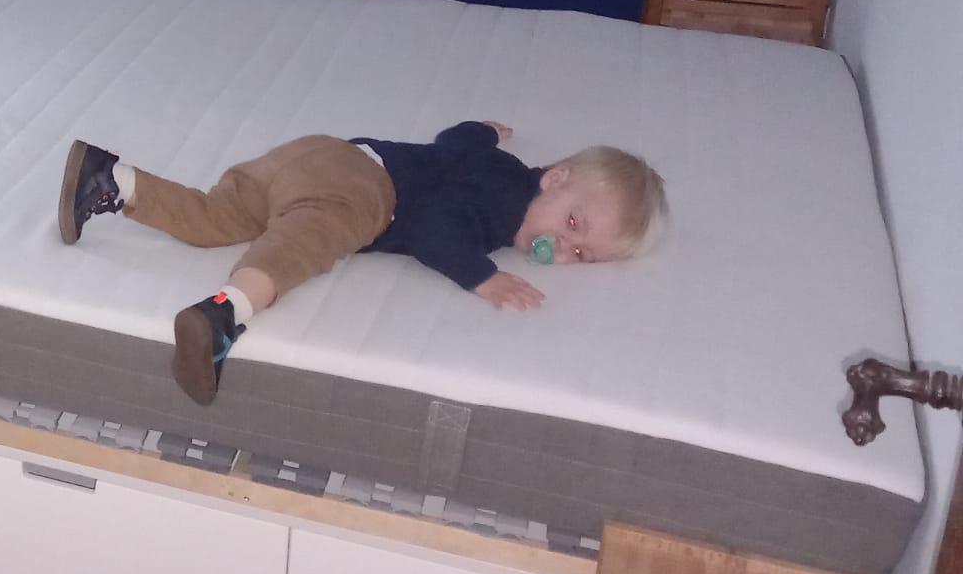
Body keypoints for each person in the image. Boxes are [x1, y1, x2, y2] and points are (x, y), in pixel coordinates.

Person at [56, 122, 667, 405]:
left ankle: (112, 178)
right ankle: (224, 313)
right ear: (554, 178)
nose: (560, 247)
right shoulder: (500, 209)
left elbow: (455, 141)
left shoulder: (497, 168)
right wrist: (482, 277)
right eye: (573, 225)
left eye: (581, 254)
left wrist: (485, 128)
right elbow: (432, 229)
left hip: (318, 151)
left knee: (216, 217)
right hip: (362, 187)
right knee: (307, 241)